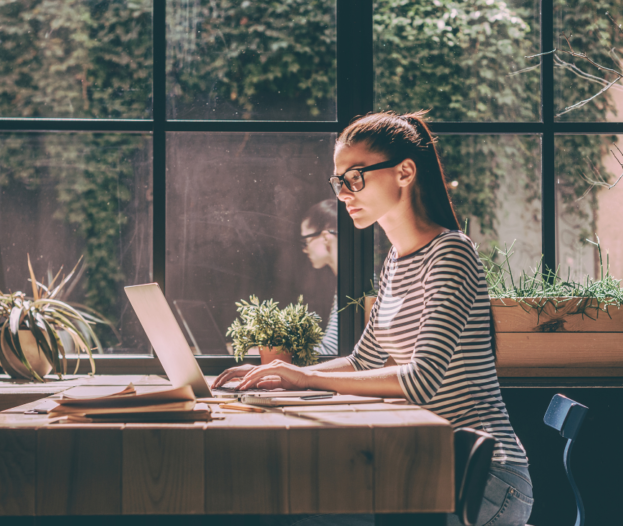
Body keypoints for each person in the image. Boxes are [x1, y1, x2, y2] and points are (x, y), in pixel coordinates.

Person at [214, 111, 533, 526]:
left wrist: (304, 378)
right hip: (428, 464)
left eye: (356, 176)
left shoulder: (451, 253)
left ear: (404, 172)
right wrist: (280, 374)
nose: (344, 192)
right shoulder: (395, 262)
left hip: (483, 478)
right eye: (338, 180)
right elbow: (363, 360)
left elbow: (420, 382)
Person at [300, 199, 338, 356]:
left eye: (305, 241)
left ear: (325, 237)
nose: (305, 250)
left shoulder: (354, 285)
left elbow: (331, 351)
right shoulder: (347, 283)